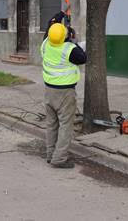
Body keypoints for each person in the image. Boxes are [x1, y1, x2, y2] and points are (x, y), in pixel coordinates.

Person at [42, 22, 87, 169]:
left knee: (51, 124)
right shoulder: (69, 49)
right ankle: (59, 159)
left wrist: (58, 17)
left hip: (49, 91)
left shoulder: (45, 44)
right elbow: (83, 58)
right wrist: (73, 41)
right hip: (65, 93)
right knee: (66, 126)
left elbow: (49, 32)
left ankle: (50, 154)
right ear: (66, 37)